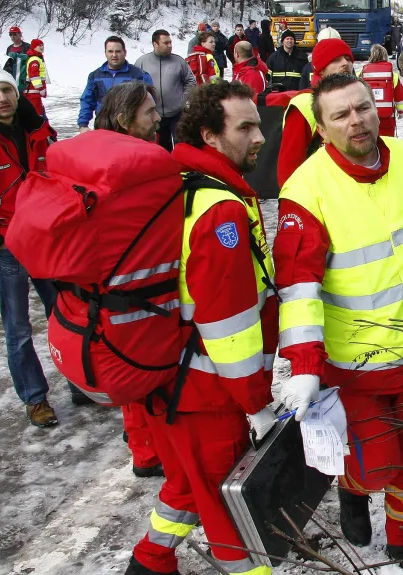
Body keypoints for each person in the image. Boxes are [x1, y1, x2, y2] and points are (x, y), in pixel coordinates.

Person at [274, 72, 403, 574]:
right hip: (355, 362)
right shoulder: (306, 190)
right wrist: (304, 365)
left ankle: (402, 540)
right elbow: (299, 290)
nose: (357, 121)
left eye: (362, 107)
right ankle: (353, 491)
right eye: (340, 115)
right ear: (322, 130)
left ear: (377, 106)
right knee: (379, 462)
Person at [124, 81, 279, 575]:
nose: (260, 137)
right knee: (231, 518)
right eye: (246, 127)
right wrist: (256, 403)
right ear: (211, 137)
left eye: (258, 123)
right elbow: (229, 327)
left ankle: (150, 561)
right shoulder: (221, 210)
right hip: (207, 393)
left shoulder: (179, 180)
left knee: (187, 485)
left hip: (164, 382)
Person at [89, 81, 167, 477]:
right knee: (144, 377)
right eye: (149, 113)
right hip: (135, 292)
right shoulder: (132, 168)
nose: (158, 118)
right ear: (124, 121)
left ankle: (142, 446)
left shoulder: (98, 158)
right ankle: (147, 453)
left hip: (111, 292)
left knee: (135, 381)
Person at [0, 69, 60, 428]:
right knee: (17, 329)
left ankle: (79, 377)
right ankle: (35, 399)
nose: (1, 98)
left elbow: (60, 176)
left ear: (16, 95)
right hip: (6, 247)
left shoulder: (39, 131)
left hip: (46, 239)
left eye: (6, 91)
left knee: (65, 312)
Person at [278, 38, 355, 186]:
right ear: (321, 69)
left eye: (347, 58)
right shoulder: (305, 103)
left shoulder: (356, 99)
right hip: (317, 192)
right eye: (335, 60)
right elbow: (289, 164)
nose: (345, 63)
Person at [135, 29, 197, 152]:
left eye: (170, 42)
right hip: (154, 115)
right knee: (161, 148)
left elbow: (190, 81)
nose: (170, 46)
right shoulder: (142, 62)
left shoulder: (178, 61)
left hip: (177, 114)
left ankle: (182, 169)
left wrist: (183, 100)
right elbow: (135, 86)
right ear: (155, 44)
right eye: (166, 43)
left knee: (182, 146)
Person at [79, 36, 153, 133]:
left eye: (118, 51)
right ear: (105, 53)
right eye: (110, 51)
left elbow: (149, 103)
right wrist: (83, 125)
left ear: (124, 52)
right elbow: (87, 101)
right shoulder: (95, 76)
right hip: (103, 126)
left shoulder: (139, 76)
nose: (114, 55)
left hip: (129, 128)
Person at [359, 44, 403, 136]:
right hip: (388, 119)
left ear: (371, 55)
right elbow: (400, 97)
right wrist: (400, 111)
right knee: (387, 145)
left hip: (366, 119)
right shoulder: (393, 75)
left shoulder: (361, 74)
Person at [24, 39, 47, 117]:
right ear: (34, 47)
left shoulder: (37, 58)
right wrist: (41, 89)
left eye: (42, 45)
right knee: (37, 115)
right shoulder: (34, 59)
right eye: (39, 45)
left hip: (34, 92)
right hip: (33, 92)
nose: (41, 47)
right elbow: (34, 76)